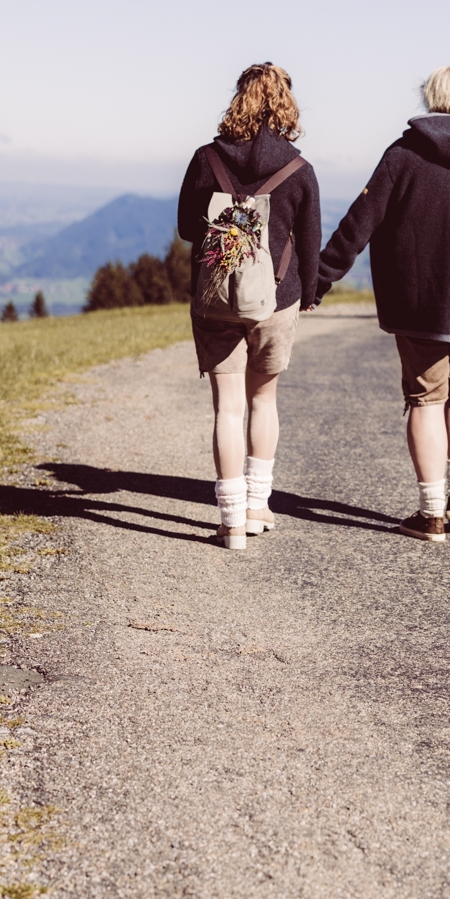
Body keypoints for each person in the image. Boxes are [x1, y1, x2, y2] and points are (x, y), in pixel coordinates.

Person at [316, 65, 450, 543]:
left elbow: (359, 224)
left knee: (424, 399)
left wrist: (317, 280)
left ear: (429, 98)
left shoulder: (402, 155)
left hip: (416, 308)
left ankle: (431, 511)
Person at [178, 63, 322, 548]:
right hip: (276, 302)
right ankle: (259, 505)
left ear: (238, 99)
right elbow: (311, 245)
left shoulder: (206, 159)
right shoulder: (300, 171)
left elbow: (185, 227)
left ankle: (231, 521)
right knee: (263, 400)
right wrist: (308, 295)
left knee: (227, 409)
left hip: (215, 297)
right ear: (286, 103)